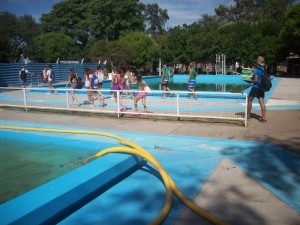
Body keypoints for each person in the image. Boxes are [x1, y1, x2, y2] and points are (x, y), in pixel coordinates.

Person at [247, 56, 267, 123]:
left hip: (255, 88)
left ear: (258, 61)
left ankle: (248, 115)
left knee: (249, 100)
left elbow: (255, 80)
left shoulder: (256, 69)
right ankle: (263, 117)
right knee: (262, 103)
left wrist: (250, 81)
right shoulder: (264, 69)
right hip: (261, 88)